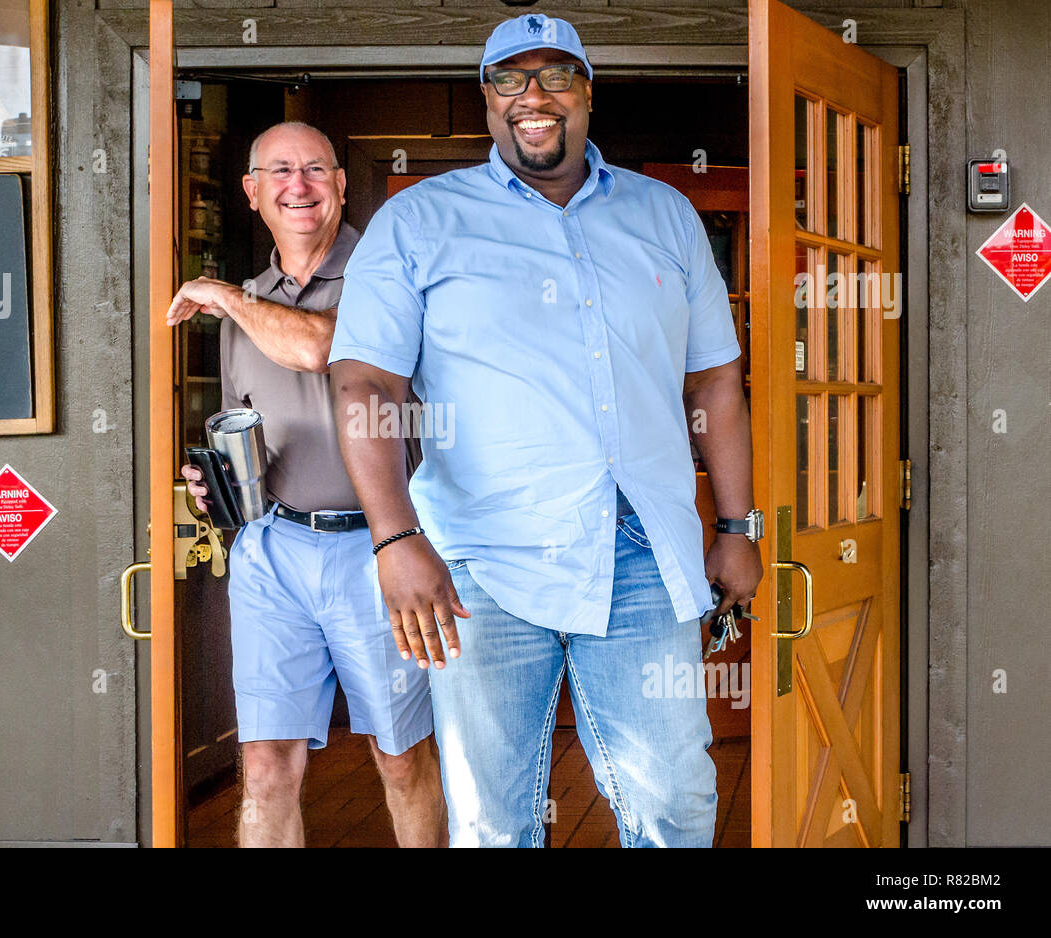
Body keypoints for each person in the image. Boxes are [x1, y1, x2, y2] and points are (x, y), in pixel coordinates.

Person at [327, 14, 764, 848]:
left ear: (588, 93)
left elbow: (713, 378)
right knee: (492, 816)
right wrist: (394, 539)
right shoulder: (421, 221)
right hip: (476, 564)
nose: (533, 97)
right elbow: (365, 382)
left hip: (639, 548)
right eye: (508, 79)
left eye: (556, 75)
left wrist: (739, 527)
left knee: (673, 796)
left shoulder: (666, 215)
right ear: (486, 100)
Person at [165, 121, 445, 848]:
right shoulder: (246, 301)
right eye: (279, 172)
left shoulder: (381, 274)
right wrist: (221, 483)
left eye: (316, 169)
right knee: (263, 764)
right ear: (252, 192)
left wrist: (227, 298)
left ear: (342, 185)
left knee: (400, 757)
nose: (299, 185)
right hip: (273, 550)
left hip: (379, 547)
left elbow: (325, 348)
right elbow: (248, 420)